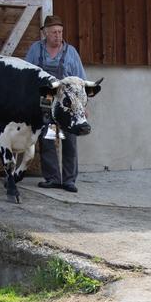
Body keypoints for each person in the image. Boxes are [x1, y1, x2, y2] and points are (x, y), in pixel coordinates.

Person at [24, 15, 87, 193]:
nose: (58, 36)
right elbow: (27, 75)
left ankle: (69, 180)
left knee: (69, 140)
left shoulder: (71, 52)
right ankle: (52, 178)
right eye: (54, 32)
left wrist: (82, 107)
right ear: (45, 33)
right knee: (48, 139)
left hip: (68, 106)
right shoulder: (36, 50)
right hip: (47, 103)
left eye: (60, 32)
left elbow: (81, 81)